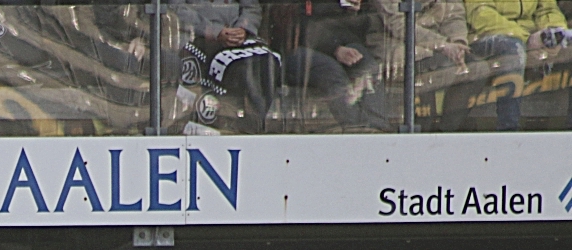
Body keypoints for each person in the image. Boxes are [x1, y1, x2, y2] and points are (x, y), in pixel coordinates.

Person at [375, 0, 527, 129]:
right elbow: (397, 24)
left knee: (477, 69)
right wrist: (441, 44)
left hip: (441, 46)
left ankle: (448, 130)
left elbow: (454, 15)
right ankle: (422, 132)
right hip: (398, 44)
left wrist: (457, 43)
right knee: (426, 74)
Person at [170, 0, 281, 132]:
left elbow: (252, 7)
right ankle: (228, 124)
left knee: (267, 60)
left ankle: (254, 124)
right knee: (241, 68)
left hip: (240, 36)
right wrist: (214, 31)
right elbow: (176, 7)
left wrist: (243, 28)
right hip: (200, 36)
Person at [286, 0, 394, 130]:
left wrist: (356, 12)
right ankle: (355, 128)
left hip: (341, 41)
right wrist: (335, 48)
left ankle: (378, 129)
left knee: (367, 65)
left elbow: (360, 28)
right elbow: (294, 25)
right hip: (294, 48)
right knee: (330, 70)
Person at [464, 0, 572, 129]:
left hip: (531, 37)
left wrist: (552, 35)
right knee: (512, 48)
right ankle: (508, 129)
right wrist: (527, 39)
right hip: (486, 36)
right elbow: (481, 14)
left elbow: (548, 9)